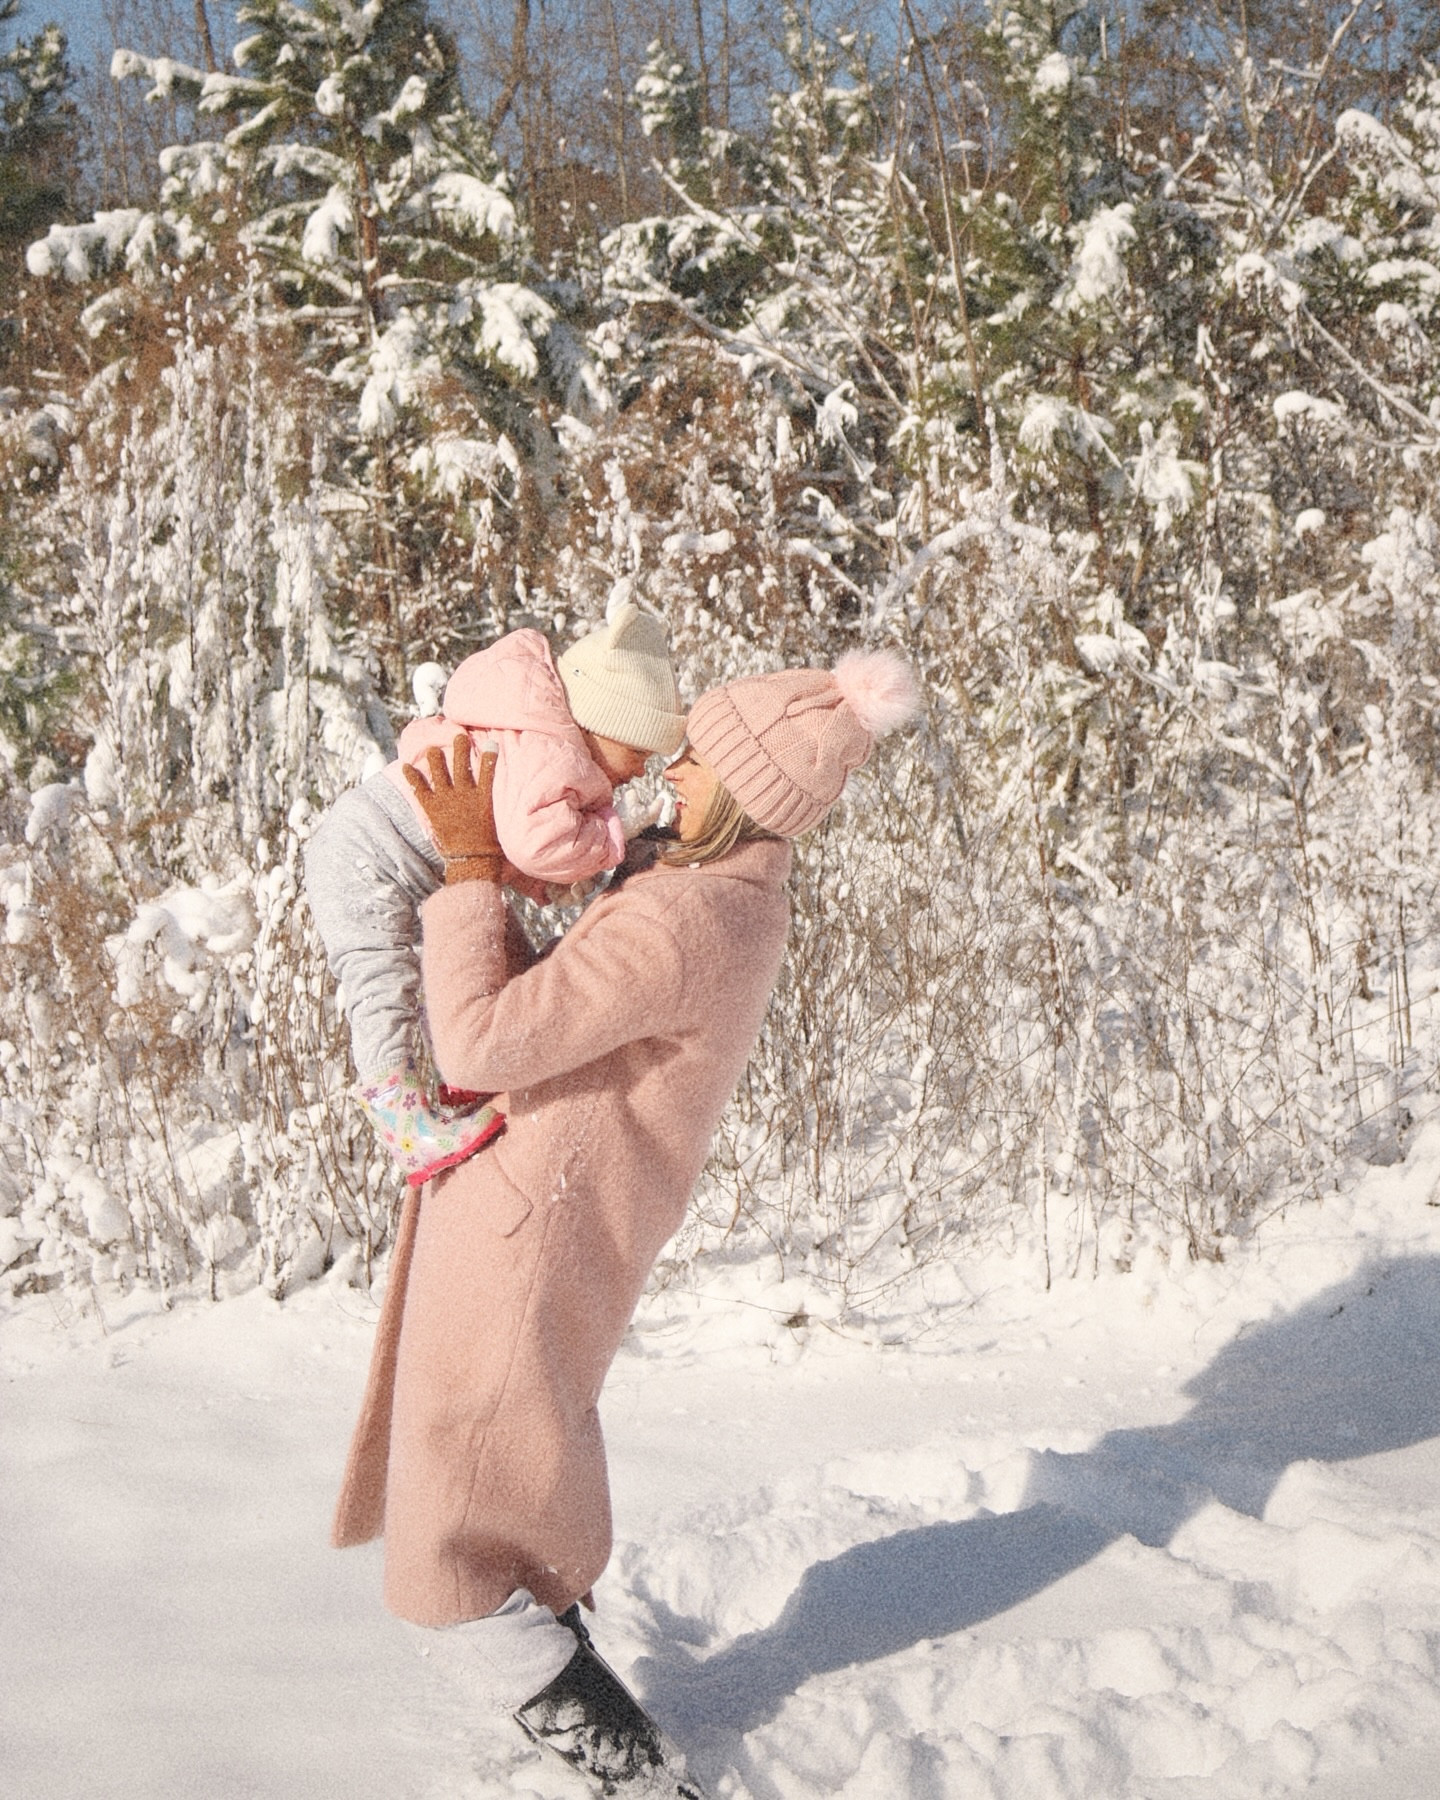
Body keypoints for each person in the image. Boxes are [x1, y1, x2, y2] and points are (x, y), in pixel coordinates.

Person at [330, 649, 920, 1796]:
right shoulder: (703, 894)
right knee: (512, 1507)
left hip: (528, 1244)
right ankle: (602, 1744)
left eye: (697, 762)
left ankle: (638, 1778)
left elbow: (485, 1043)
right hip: (537, 1221)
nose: (671, 777)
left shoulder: (689, 921)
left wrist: (464, 870)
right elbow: (547, 1018)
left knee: (455, 1557)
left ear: (751, 795)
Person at [303, 593, 685, 1184]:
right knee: (381, 983)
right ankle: (404, 1128)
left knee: (440, 959)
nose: (640, 770)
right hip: (367, 854)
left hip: (367, 843)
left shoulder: (540, 738)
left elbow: (514, 847)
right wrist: (612, 840)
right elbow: (537, 844)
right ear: (601, 724)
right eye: (637, 751)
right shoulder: (554, 753)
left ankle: (452, 1078)